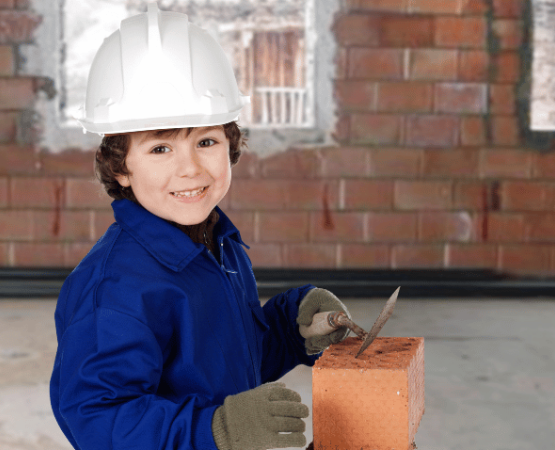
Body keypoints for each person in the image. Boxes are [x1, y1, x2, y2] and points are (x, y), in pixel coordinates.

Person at [49, 3, 353, 449]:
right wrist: (216, 430)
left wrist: (290, 330)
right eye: (160, 149)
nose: (190, 169)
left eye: (205, 141)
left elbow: (225, 365)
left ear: (230, 146)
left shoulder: (218, 247)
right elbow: (96, 419)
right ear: (119, 168)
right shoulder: (115, 289)